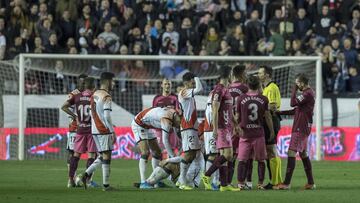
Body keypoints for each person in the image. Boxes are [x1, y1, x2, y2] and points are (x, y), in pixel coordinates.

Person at [274, 74, 316, 190]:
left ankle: (286, 183)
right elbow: (296, 110)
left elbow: (293, 103)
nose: (296, 85)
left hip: (300, 128)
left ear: (302, 83)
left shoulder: (307, 93)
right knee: (303, 154)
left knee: (291, 153)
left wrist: (293, 90)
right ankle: (311, 182)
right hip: (304, 127)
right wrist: (279, 112)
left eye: (297, 83)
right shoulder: (309, 94)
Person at [202, 66, 240, 192]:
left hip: (227, 127)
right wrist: (214, 129)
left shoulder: (225, 89)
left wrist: (236, 124)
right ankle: (206, 175)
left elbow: (229, 111)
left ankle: (224, 185)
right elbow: (214, 110)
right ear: (228, 74)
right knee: (228, 155)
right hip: (222, 127)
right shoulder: (219, 89)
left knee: (224, 156)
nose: (233, 77)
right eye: (232, 74)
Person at [236, 75, 275, 190]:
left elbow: (237, 116)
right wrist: (271, 130)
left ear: (247, 85)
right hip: (258, 134)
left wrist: (235, 127)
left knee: (242, 160)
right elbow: (267, 116)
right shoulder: (263, 99)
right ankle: (260, 184)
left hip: (245, 134)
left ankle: (240, 184)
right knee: (261, 160)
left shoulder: (241, 98)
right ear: (258, 85)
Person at [80, 72, 116, 191]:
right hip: (103, 130)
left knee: (102, 155)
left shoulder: (94, 94)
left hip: (94, 129)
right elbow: (107, 116)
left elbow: (92, 113)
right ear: (108, 81)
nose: (114, 83)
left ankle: (85, 175)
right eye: (113, 81)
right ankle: (106, 185)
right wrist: (112, 131)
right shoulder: (106, 96)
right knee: (106, 156)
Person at [131, 106, 181, 189]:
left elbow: (176, 134)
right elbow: (165, 141)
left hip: (148, 126)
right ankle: (143, 183)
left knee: (157, 153)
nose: (179, 125)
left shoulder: (174, 114)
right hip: (139, 124)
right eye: (179, 123)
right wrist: (172, 158)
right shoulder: (166, 120)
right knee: (145, 152)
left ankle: (157, 182)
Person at [61, 77, 97, 188]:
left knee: (76, 155)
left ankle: (71, 180)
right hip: (91, 130)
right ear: (93, 86)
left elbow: (63, 107)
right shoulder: (94, 97)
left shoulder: (76, 96)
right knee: (92, 155)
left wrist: (75, 116)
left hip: (80, 130)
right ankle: (87, 180)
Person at [258, 65, 283, 189]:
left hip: (272, 120)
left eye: (260, 73)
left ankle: (274, 182)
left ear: (267, 74)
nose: (259, 75)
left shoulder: (271, 88)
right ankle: (277, 180)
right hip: (270, 120)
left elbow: (272, 107)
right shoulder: (266, 88)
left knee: (271, 151)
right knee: (272, 151)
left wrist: (259, 106)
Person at [177, 72, 203, 190]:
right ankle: (182, 180)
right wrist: (197, 76)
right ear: (186, 82)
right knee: (188, 154)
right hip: (187, 127)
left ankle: (186, 179)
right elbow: (200, 88)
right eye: (192, 81)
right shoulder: (184, 92)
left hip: (191, 127)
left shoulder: (188, 94)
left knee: (193, 154)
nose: (193, 82)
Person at [62, 73, 87, 188]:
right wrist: (75, 116)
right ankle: (70, 179)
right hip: (74, 128)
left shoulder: (89, 94)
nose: (83, 84)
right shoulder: (73, 94)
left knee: (93, 153)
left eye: (85, 82)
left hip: (87, 127)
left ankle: (88, 179)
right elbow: (64, 107)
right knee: (72, 153)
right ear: (78, 82)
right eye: (81, 82)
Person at [228, 65, 249, 187]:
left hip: (228, 125)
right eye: (245, 73)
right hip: (241, 125)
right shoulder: (245, 88)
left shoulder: (227, 88)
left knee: (230, 154)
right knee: (242, 155)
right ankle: (242, 182)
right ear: (241, 74)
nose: (246, 75)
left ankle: (226, 181)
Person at [152, 78, 180, 156]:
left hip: (171, 128)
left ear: (171, 85)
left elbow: (178, 111)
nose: (167, 86)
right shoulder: (157, 98)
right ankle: (156, 168)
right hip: (159, 128)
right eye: (165, 84)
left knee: (171, 150)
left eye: (168, 84)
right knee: (158, 151)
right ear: (162, 85)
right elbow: (153, 113)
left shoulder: (175, 97)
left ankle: (169, 167)